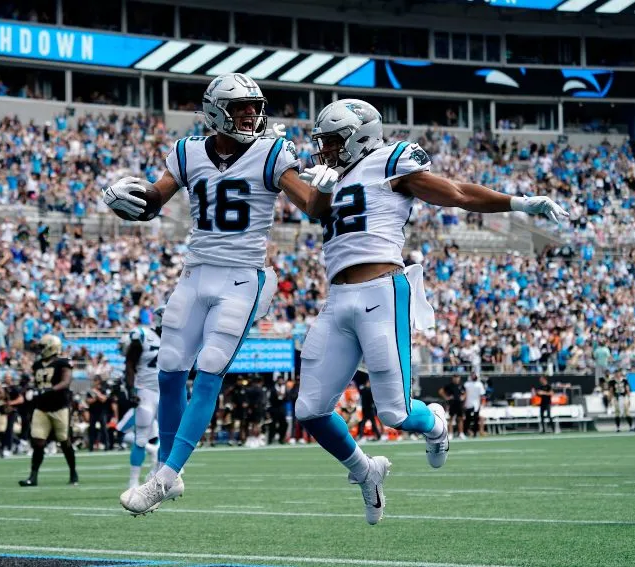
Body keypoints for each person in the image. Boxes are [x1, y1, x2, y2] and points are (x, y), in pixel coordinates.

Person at [293, 99, 569, 524]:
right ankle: (365, 471)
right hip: (338, 297)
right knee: (309, 410)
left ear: (359, 137)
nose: (325, 149)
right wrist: (317, 186)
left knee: (396, 413)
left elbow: (457, 193)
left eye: (332, 141)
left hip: (381, 291)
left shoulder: (390, 162)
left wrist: (519, 202)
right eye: (323, 141)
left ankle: (436, 424)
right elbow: (313, 207)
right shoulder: (332, 178)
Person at [109, 73, 329, 516]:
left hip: (242, 278)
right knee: (170, 368)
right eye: (241, 106)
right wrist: (126, 197)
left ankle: (164, 477)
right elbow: (154, 200)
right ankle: (167, 471)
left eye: (254, 106)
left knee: (210, 369)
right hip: (195, 273)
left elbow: (311, 206)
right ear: (215, 111)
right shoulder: (188, 151)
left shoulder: (272, 152)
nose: (251, 114)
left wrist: (325, 188)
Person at [19, 334, 78, 487]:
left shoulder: (63, 362)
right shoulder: (37, 365)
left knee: (64, 441)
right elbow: (37, 383)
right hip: (41, 407)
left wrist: (49, 390)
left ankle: (73, 472)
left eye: (42, 347)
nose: (40, 350)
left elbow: (66, 381)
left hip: (59, 407)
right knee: (38, 442)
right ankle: (33, 477)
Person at [120, 307, 164, 489]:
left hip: (167, 393)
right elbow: (130, 364)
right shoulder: (144, 336)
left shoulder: (177, 340)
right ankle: (133, 482)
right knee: (140, 438)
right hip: (146, 391)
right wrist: (131, 390)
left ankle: (158, 475)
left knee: (169, 437)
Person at [439, 375, 465, 439]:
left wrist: (463, 397)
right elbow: (441, 391)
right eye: (455, 378)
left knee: (460, 419)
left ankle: (461, 433)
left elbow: (465, 393)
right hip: (452, 404)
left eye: (457, 377)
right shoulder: (449, 385)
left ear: (459, 378)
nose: (456, 379)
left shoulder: (461, 385)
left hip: (459, 404)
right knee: (451, 419)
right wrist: (446, 397)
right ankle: (450, 434)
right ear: (453, 378)